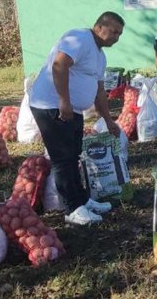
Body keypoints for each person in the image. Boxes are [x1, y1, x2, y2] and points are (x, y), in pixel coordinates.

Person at [30, 12, 124, 226]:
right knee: (62, 158)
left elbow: (100, 91)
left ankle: (82, 200)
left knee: (74, 155)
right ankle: (72, 209)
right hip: (51, 105)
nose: (116, 37)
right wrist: (64, 100)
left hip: (73, 110)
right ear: (99, 27)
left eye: (119, 34)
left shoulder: (100, 56)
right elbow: (59, 64)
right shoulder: (80, 38)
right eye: (113, 31)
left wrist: (109, 121)